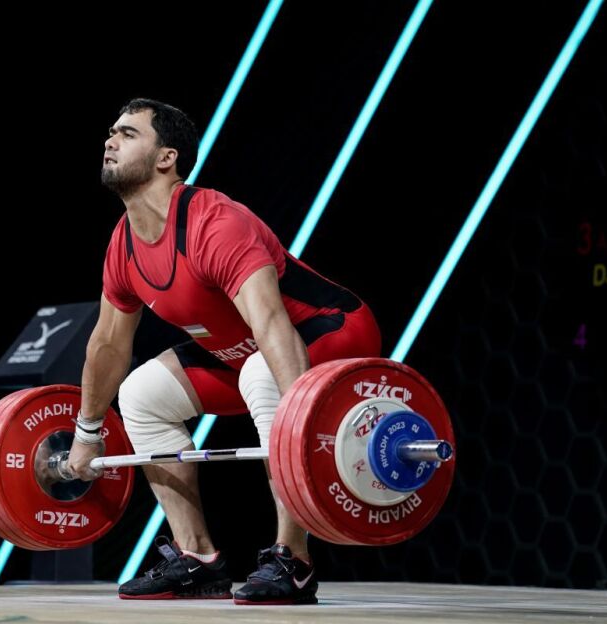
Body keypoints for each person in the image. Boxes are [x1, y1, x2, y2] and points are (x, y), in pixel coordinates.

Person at [66, 98, 381, 604]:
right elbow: (107, 344)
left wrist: (302, 421)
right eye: (111, 132)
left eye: (127, 133)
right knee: (141, 394)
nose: (110, 141)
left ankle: (294, 560)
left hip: (333, 332)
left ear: (167, 157)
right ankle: (197, 559)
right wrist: (87, 434)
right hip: (242, 353)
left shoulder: (214, 222)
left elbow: (271, 323)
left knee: (261, 371)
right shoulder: (123, 246)